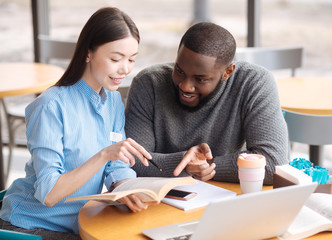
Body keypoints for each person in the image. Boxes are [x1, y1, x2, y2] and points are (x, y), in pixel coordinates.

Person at [0, 7, 155, 240]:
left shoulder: (112, 99)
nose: (125, 69)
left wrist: (126, 187)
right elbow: (49, 193)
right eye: (115, 58)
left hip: (77, 221)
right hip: (31, 224)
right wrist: (103, 155)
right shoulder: (50, 106)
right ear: (88, 53)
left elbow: (116, 164)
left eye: (131, 59)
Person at [125, 22, 289, 184]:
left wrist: (206, 167)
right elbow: (133, 160)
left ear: (227, 72)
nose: (185, 86)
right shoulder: (149, 84)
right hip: (165, 200)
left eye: (200, 79)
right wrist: (186, 164)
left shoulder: (253, 83)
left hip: (230, 195)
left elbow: (275, 163)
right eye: (180, 71)